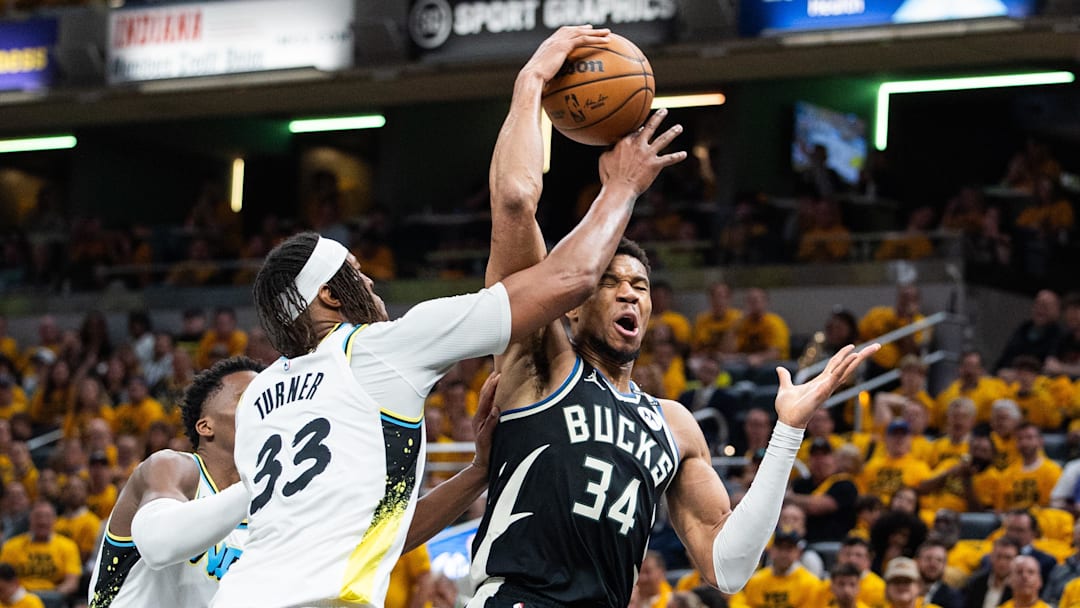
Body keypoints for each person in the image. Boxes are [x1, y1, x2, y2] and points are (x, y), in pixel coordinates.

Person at [210, 26, 688, 608]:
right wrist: (614, 178)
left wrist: (480, 472)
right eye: (354, 276)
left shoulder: (261, 399)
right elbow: (569, 274)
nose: (369, 283)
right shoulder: (383, 348)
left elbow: (379, 537)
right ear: (329, 299)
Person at [466, 25, 879, 608]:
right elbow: (513, 201)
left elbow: (729, 568)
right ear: (577, 300)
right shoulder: (540, 363)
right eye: (611, 283)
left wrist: (788, 432)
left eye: (641, 285)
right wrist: (531, 80)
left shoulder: (675, 425)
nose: (630, 294)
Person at [87, 357, 264, 608]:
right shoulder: (172, 468)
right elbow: (159, 544)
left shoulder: (269, 509)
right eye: (247, 398)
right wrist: (264, 478)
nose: (264, 408)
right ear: (205, 426)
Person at [961, 537, 1017, 608]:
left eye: (1008, 558)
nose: (1002, 562)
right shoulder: (976, 582)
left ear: (1016, 559)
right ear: (991, 557)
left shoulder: (1019, 588)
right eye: (998, 556)